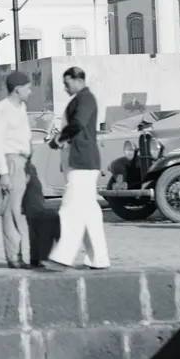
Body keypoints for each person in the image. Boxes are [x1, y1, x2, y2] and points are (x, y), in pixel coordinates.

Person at [48, 66, 111, 270]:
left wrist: (59, 137)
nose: (65, 88)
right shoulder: (81, 99)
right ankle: (98, 258)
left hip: (82, 160)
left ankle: (62, 257)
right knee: (89, 213)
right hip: (81, 160)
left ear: (78, 80)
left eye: (67, 84)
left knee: (70, 208)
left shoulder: (85, 99)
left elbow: (78, 123)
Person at [0, 70, 34, 269]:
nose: (30, 91)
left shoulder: (21, 107)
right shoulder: (2, 109)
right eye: (27, 87)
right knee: (12, 210)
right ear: (17, 89)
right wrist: (3, 172)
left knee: (26, 209)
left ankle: (28, 252)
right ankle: (14, 256)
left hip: (24, 161)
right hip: (12, 161)